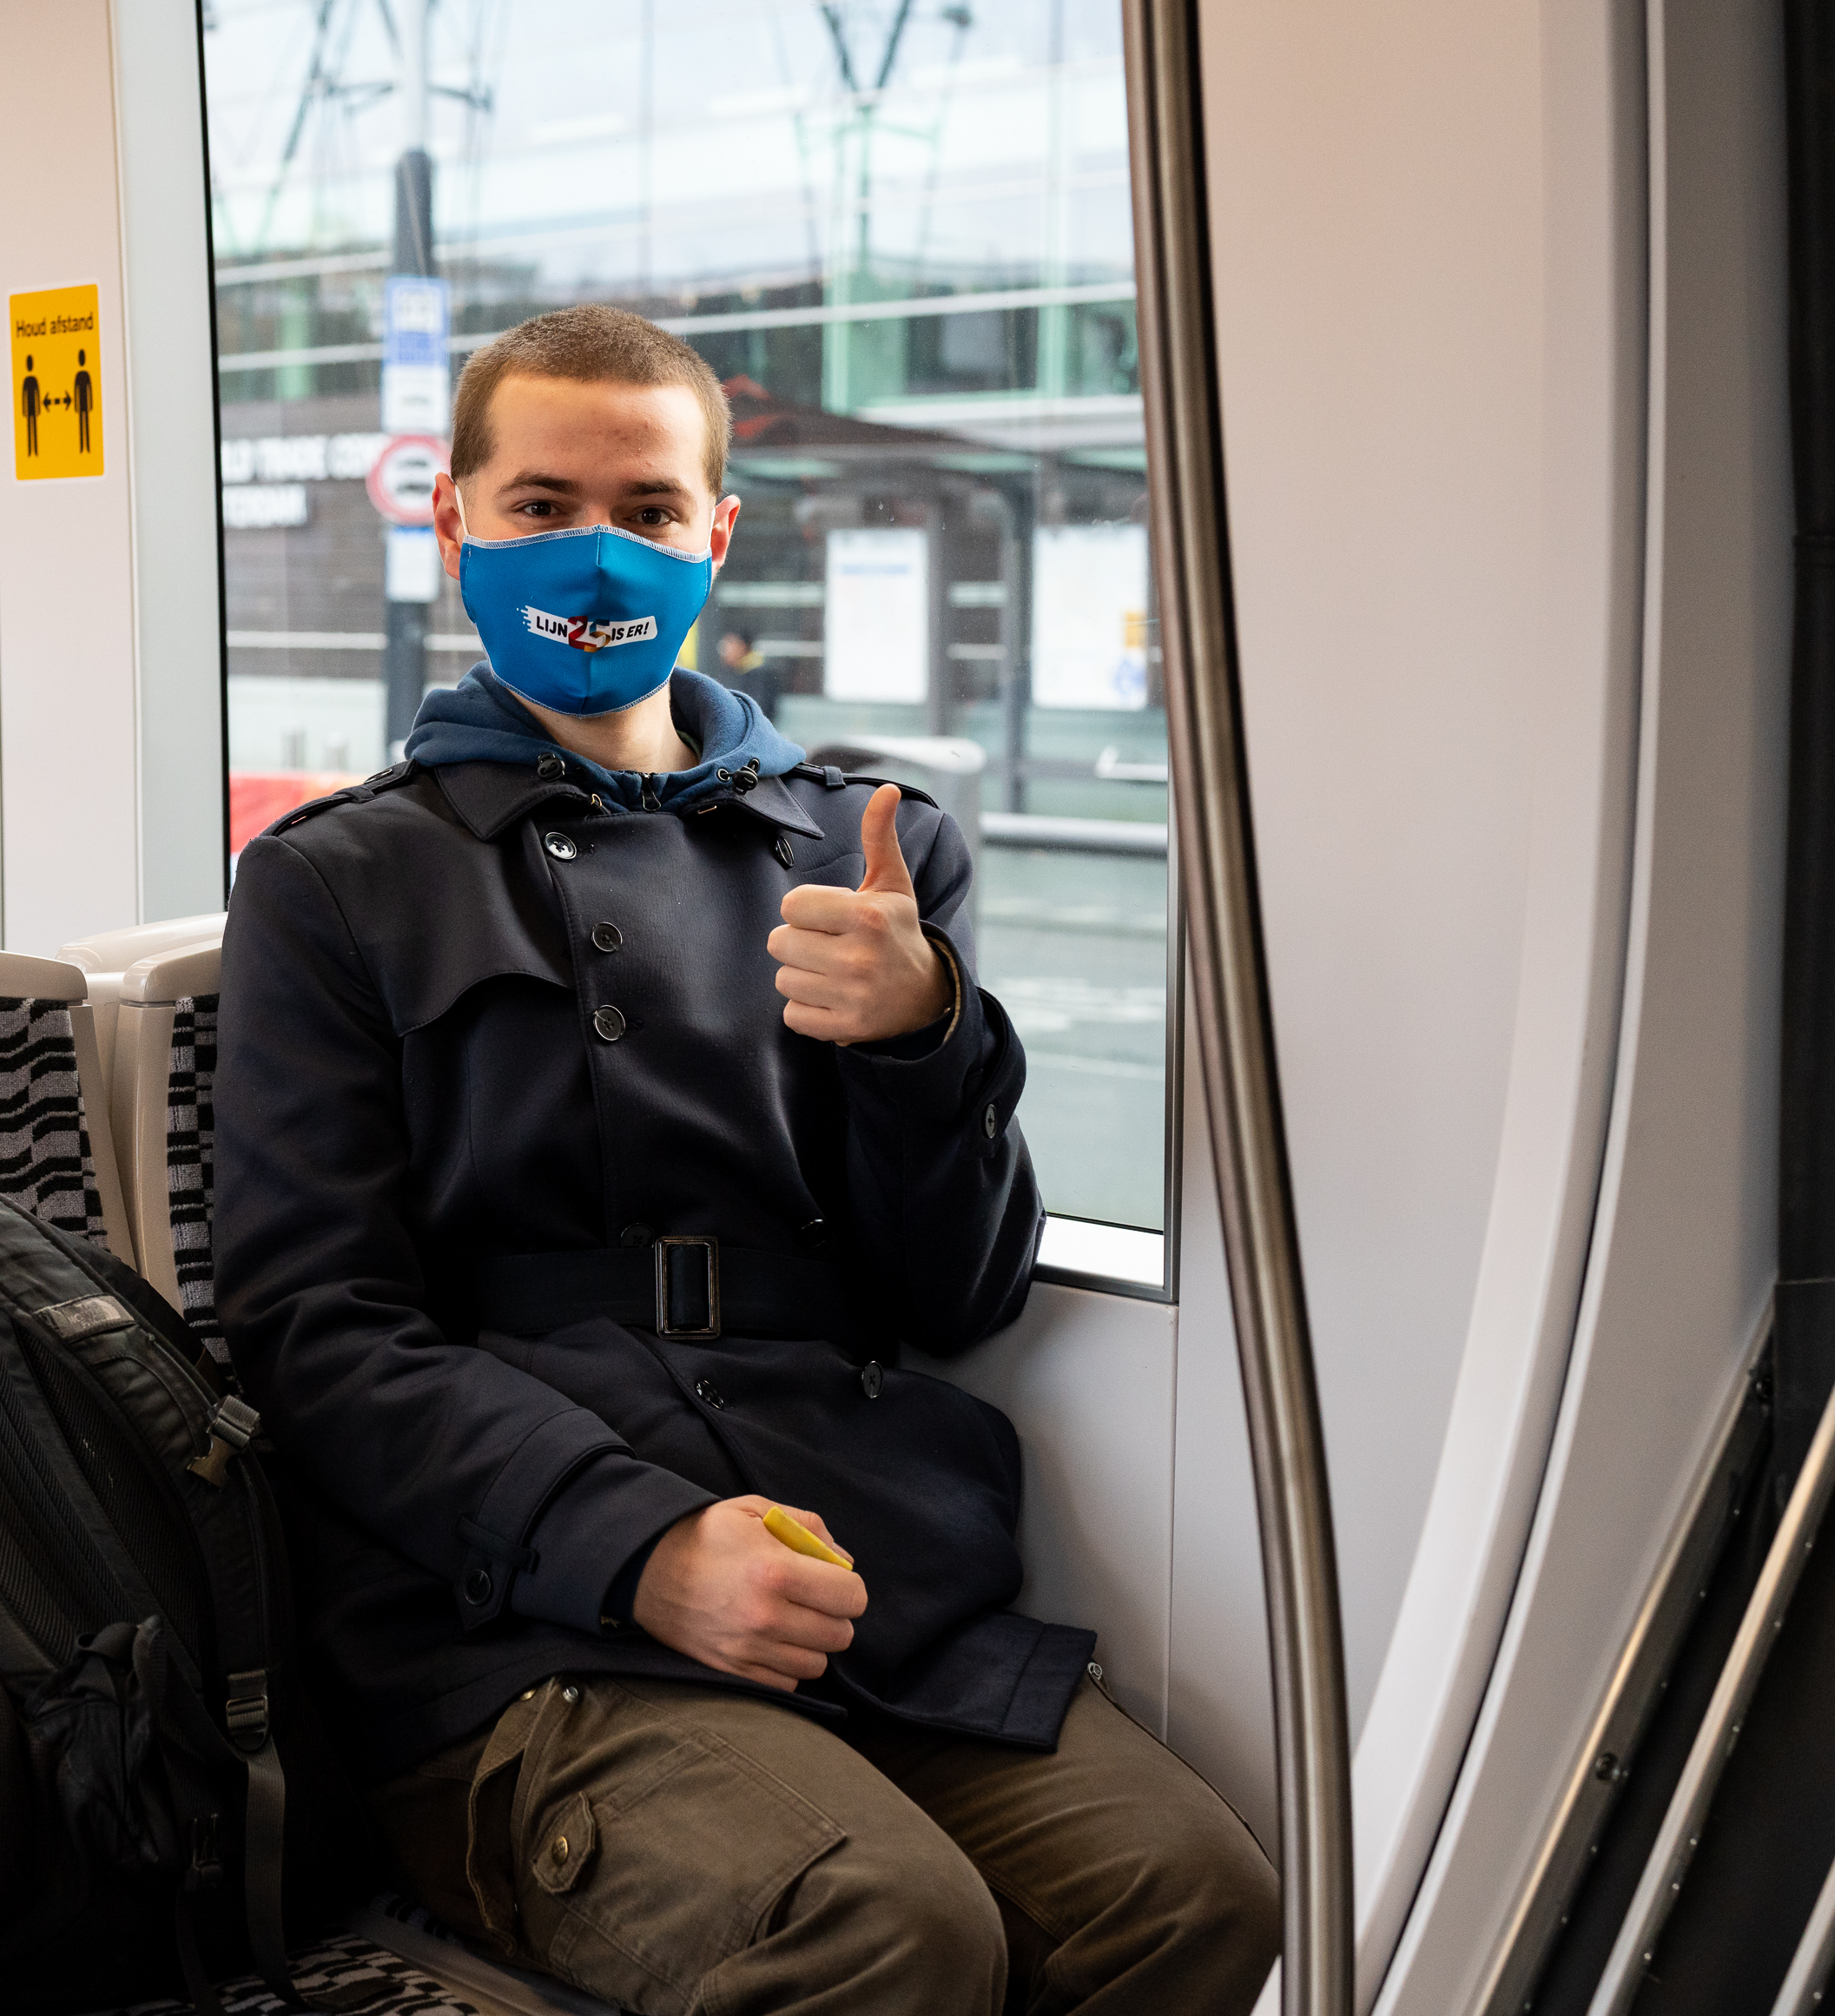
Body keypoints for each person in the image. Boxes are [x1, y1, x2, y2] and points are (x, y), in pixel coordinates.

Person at [213, 306, 1277, 2016]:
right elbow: (314, 1322)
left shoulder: (865, 844)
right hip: (511, 1618)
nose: (595, 547)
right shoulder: (345, 880)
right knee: (882, 1928)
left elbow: (956, 1289)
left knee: (1195, 1897)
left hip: (862, 1570)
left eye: (645, 507)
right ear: (455, 524)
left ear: (716, 533)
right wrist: (631, 1540)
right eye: (543, 500)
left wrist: (926, 1034)